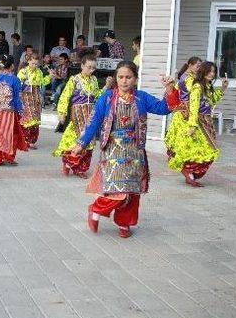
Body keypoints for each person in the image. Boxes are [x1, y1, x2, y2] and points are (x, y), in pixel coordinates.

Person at [71, 61, 175, 238]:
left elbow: (164, 108)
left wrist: (170, 89)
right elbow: (94, 120)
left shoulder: (142, 98)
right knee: (117, 188)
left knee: (133, 190)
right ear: (116, 78)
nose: (124, 81)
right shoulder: (107, 97)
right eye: (121, 77)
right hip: (113, 149)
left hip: (135, 150)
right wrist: (81, 143)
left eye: (128, 77)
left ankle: (124, 223)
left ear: (135, 79)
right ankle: (96, 209)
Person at [165, 61, 228, 187]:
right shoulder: (197, 86)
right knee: (203, 150)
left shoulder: (207, 86)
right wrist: (193, 125)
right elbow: (194, 107)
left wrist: (223, 88)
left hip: (206, 122)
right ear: (203, 71)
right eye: (209, 71)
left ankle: (190, 172)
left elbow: (213, 100)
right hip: (198, 122)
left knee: (207, 151)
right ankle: (189, 171)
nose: (212, 74)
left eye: (214, 72)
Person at [54, 51, 112, 177]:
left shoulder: (94, 80)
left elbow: (97, 96)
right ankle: (69, 163)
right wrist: (62, 113)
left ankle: (80, 168)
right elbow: (64, 96)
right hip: (78, 113)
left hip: (91, 113)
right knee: (79, 139)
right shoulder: (74, 80)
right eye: (89, 67)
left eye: (93, 68)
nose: (91, 70)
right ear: (82, 66)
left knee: (89, 141)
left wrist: (106, 86)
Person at [0, 55, 28, 166]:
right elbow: (17, 98)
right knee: (10, 134)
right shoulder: (15, 80)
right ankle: (8, 156)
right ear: (12, 66)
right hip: (8, 113)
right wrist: (21, 112)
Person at [17, 53, 53, 149]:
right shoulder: (23, 72)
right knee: (29, 117)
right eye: (33, 63)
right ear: (28, 61)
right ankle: (25, 139)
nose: (34, 66)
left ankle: (32, 140)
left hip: (36, 96)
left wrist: (49, 76)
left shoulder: (39, 72)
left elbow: (42, 82)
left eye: (36, 64)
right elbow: (18, 84)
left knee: (36, 118)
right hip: (26, 97)